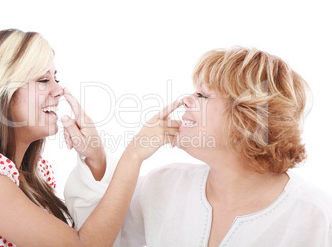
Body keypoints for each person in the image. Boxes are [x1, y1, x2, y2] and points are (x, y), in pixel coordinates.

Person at [0, 29, 182, 247]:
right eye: (43, 80)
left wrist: (95, 155)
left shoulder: (37, 173)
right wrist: (135, 154)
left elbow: (94, 229)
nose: (59, 91)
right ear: (0, 92)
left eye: (56, 78)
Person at [68, 46, 332, 246]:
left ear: (246, 120)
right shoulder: (164, 184)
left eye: (202, 95)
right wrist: (104, 154)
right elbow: (97, 235)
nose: (185, 100)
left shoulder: (316, 217)